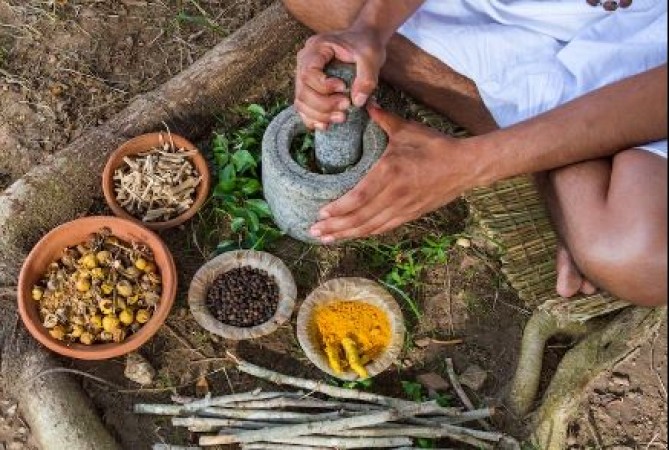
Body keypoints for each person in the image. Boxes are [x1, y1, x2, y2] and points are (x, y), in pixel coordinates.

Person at [282, 0, 667, 307]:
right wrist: (370, 28)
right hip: (510, 24)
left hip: (649, 43)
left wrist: (470, 164)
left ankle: (546, 148)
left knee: (639, 259)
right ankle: (552, 148)